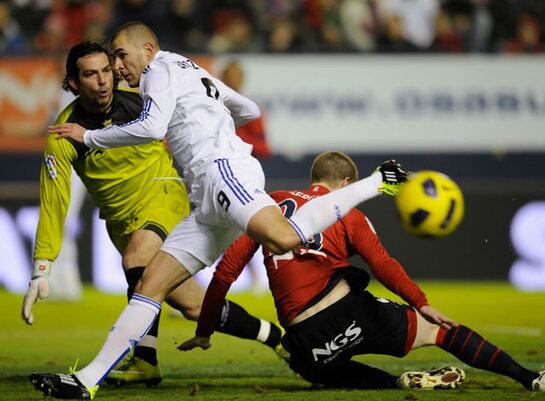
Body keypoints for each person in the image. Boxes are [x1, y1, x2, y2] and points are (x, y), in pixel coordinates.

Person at [32, 22, 407, 399]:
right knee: (149, 285)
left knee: (283, 237)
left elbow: (152, 127)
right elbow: (248, 108)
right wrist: (217, 123)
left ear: (147, 51)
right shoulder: (186, 67)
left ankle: (377, 180)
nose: (116, 66)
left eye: (120, 55)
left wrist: (90, 135)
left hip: (222, 171)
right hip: (205, 199)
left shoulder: (160, 69)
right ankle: (86, 381)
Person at [24, 40, 284, 389]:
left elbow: (185, 113)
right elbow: (54, 201)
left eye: (106, 71)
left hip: (164, 196)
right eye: (90, 74)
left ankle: (144, 361)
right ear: (73, 83)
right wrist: (42, 267)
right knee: (193, 306)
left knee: (137, 259)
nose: (102, 81)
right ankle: (277, 338)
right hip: (122, 222)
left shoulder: (141, 105)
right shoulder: (64, 135)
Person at [180, 151, 545, 392]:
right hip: (351, 316)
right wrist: (422, 303)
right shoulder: (349, 214)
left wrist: (204, 329)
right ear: (344, 186)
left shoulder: (269, 206)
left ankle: (398, 384)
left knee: (309, 365)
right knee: (439, 333)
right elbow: (382, 264)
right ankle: (529, 378)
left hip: (309, 344)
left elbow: (225, 272)